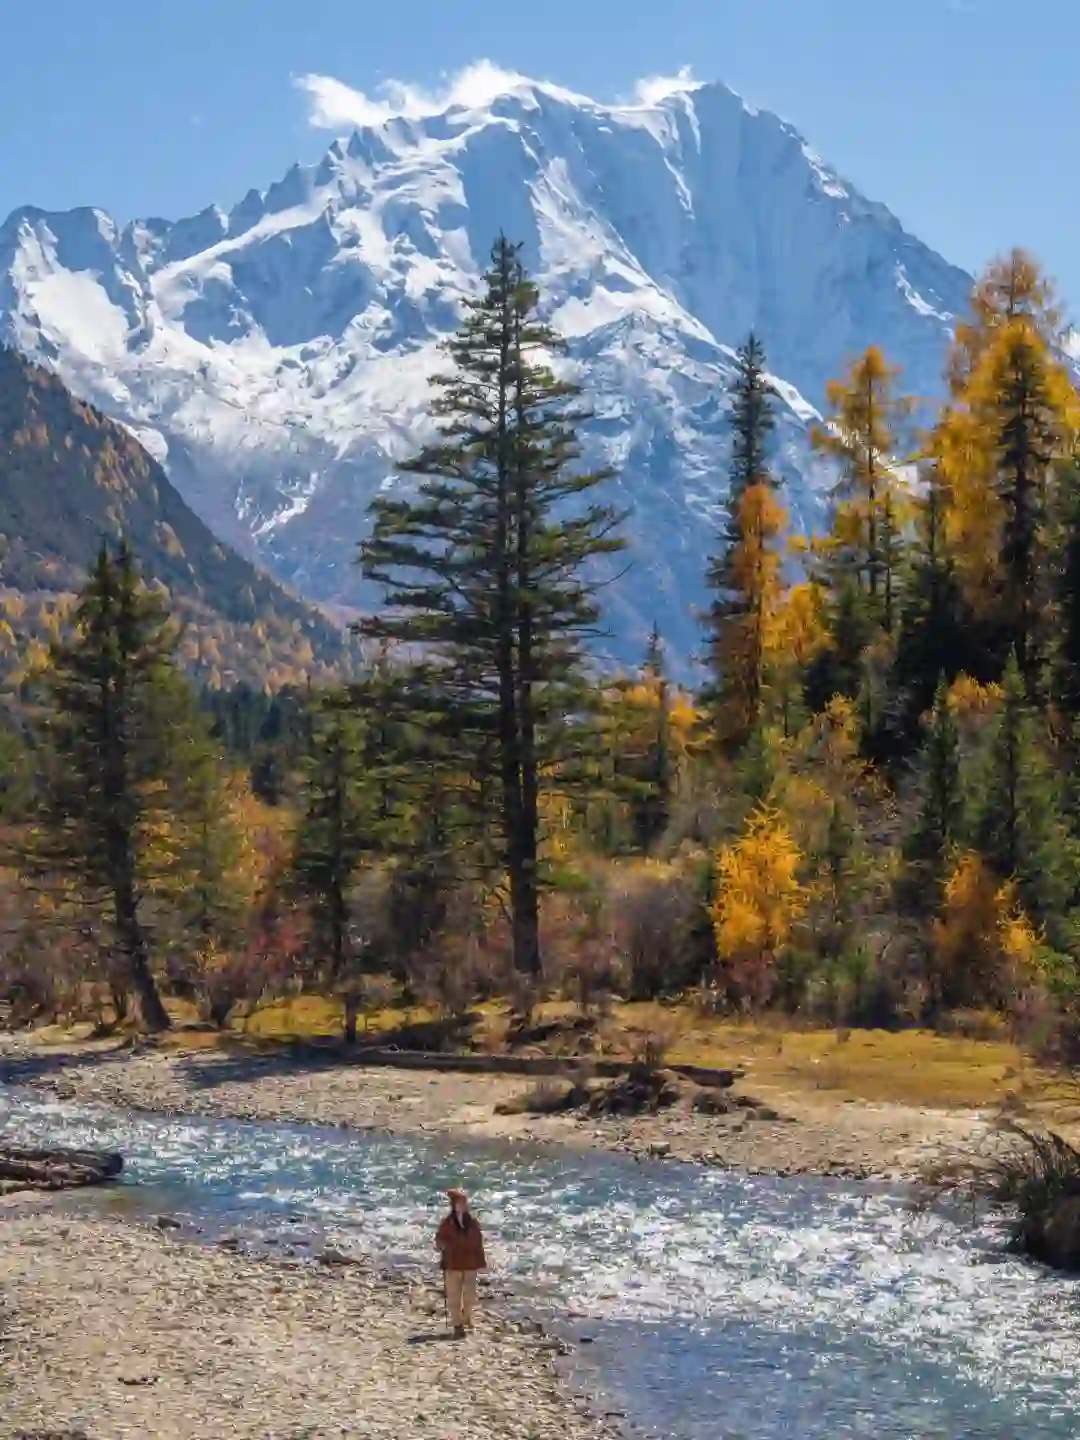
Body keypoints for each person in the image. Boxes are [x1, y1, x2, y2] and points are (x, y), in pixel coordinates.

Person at [434, 1186, 486, 1339]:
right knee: (454, 1296)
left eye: (465, 1202)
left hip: (470, 1263)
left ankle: (466, 1317)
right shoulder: (447, 1223)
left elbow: (478, 1242)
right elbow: (439, 1239)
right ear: (454, 1205)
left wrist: (481, 1262)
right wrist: (441, 1246)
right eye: (461, 1202)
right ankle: (457, 1325)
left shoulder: (473, 1222)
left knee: (470, 1295)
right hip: (453, 1263)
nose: (464, 1205)